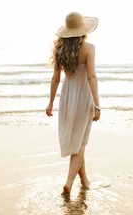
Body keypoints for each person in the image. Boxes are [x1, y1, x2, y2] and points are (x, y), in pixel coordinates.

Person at [45, 12, 101, 195]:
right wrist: (97, 104)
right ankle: (69, 182)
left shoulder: (59, 49)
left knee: (77, 140)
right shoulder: (89, 48)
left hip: (67, 96)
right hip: (84, 96)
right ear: (82, 30)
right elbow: (91, 76)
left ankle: (84, 181)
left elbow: (55, 78)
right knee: (81, 142)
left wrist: (51, 103)